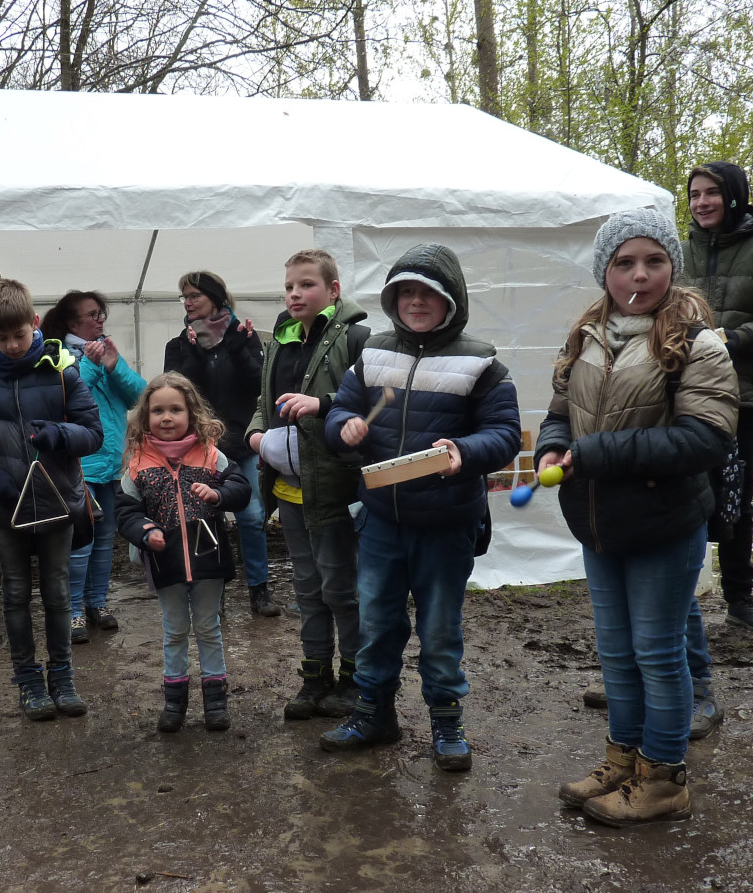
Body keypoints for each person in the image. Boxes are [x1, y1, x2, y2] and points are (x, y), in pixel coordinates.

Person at [537, 209, 737, 826]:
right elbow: (559, 411)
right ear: (606, 271)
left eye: (653, 260)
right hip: (600, 525)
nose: (639, 274)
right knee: (617, 654)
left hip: (663, 523)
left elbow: (706, 438)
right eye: (624, 262)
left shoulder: (698, 341)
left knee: (657, 652)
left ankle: (665, 777)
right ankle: (622, 760)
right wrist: (550, 444)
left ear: (672, 266)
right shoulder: (586, 336)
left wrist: (595, 453)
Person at [318, 244, 521, 772]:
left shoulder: (481, 360)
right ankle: (374, 714)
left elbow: (503, 435)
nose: (416, 301)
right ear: (392, 298)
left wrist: (464, 453)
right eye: (406, 291)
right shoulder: (373, 353)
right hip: (382, 520)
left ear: (450, 298)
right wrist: (344, 428)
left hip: (447, 522)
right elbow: (340, 410)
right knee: (378, 623)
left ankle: (447, 724)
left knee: (438, 628)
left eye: (428, 292)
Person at [0, 279, 103, 722]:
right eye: (2, 338)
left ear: (34, 323)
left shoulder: (63, 374)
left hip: (58, 504)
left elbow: (93, 434)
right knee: (15, 595)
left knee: (56, 593)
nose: (13, 346)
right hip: (7, 509)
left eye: (19, 334)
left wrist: (59, 435)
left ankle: (62, 676)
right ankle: (29, 681)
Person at [245, 249, 371, 721]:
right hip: (289, 489)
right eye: (289, 287)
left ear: (333, 291)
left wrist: (322, 402)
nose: (295, 294)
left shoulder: (357, 338)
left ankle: (354, 680)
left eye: (307, 285)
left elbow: (368, 400)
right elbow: (264, 400)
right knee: (306, 587)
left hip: (334, 486)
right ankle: (314, 679)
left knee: (341, 587)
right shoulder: (279, 339)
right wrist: (255, 434)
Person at [116, 373, 251, 732]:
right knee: (174, 630)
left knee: (208, 628)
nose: (166, 417)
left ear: (191, 413)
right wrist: (146, 532)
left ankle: (215, 702)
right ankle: (174, 703)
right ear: (145, 418)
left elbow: (241, 487)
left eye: (175, 409)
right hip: (165, 562)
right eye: (157, 410)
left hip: (208, 560)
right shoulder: (137, 463)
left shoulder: (211, 455)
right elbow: (125, 511)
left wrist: (218, 495)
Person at [682, 162, 753, 633]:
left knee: (734, 495)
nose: (701, 202)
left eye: (711, 194)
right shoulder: (676, 254)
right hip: (684, 396)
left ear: (735, 197)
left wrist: (731, 340)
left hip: (742, 396)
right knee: (684, 492)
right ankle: (680, 595)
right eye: (695, 194)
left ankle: (739, 597)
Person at [164, 272, 275, 617]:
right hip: (199, 449)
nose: (188, 302)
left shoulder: (244, 336)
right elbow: (177, 394)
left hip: (240, 446)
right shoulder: (179, 344)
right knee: (205, 519)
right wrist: (195, 354)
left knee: (252, 516)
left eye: (194, 295)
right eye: (184, 297)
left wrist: (241, 350)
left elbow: (259, 385)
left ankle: (259, 589)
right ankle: (214, 591)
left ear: (215, 297)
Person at [40, 291, 144, 643]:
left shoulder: (106, 352)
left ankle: (97, 603)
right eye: (92, 315)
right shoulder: (57, 355)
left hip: (112, 465)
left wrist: (114, 366)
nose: (100, 320)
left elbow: (139, 397)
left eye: (101, 314)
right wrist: (92, 364)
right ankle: (71, 612)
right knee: (80, 543)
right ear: (72, 323)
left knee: (104, 542)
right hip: (79, 467)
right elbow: (65, 397)